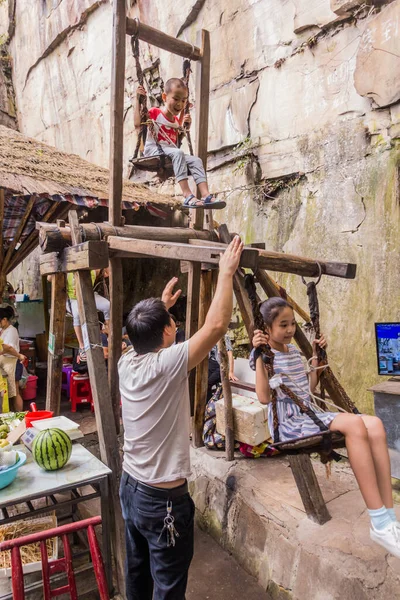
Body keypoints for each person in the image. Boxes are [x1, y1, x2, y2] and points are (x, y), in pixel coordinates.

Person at [118, 237, 243, 600]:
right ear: (169, 332)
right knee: (169, 587)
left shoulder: (128, 361)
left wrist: (161, 305)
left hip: (131, 487)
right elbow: (216, 326)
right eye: (171, 321)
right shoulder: (166, 364)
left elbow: (141, 332)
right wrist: (226, 273)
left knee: (138, 576)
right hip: (162, 502)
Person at [251, 297, 400, 559]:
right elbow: (264, 397)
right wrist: (259, 358)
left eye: (292, 324)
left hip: (308, 414)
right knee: (354, 423)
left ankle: (389, 518)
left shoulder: (295, 353)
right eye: (283, 325)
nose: (290, 330)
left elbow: (305, 391)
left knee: (375, 424)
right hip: (289, 425)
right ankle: (378, 521)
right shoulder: (265, 357)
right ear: (266, 329)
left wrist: (317, 362)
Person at [134, 78, 226, 210]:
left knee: (196, 160)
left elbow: (176, 142)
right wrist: (138, 101)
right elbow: (138, 125)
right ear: (165, 97)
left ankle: (206, 195)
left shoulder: (177, 121)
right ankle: (187, 195)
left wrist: (184, 128)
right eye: (176, 99)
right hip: (154, 151)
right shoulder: (155, 113)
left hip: (170, 152)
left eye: (183, 100)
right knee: (178, 153)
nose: (180, 104)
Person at [66, 270, 110, 362]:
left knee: (107, 305)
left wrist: (105, 270)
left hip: (89, 295)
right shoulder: (68, 271)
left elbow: (107, 272)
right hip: (74, 299)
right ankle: (81, 346)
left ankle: (108, 331)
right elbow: (50, 278)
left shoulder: (94, 269)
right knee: (77, 314)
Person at [0, 306, 26, 411]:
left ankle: (20, 415)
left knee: (15, 393)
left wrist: (19, 356)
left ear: (5, 319)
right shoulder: (3, 330)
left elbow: (8, 348)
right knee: (9, 393)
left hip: (12, 364)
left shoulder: (12, 331)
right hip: (5, 363)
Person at [207, 333, 238, 400]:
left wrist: (231, 372)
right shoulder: (210, 335)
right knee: (203, 384)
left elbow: (230, 355)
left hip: (220, 366)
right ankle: (207, 405)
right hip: (210, 363)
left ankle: (208, 405)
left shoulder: (224, 336)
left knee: (208, 383)